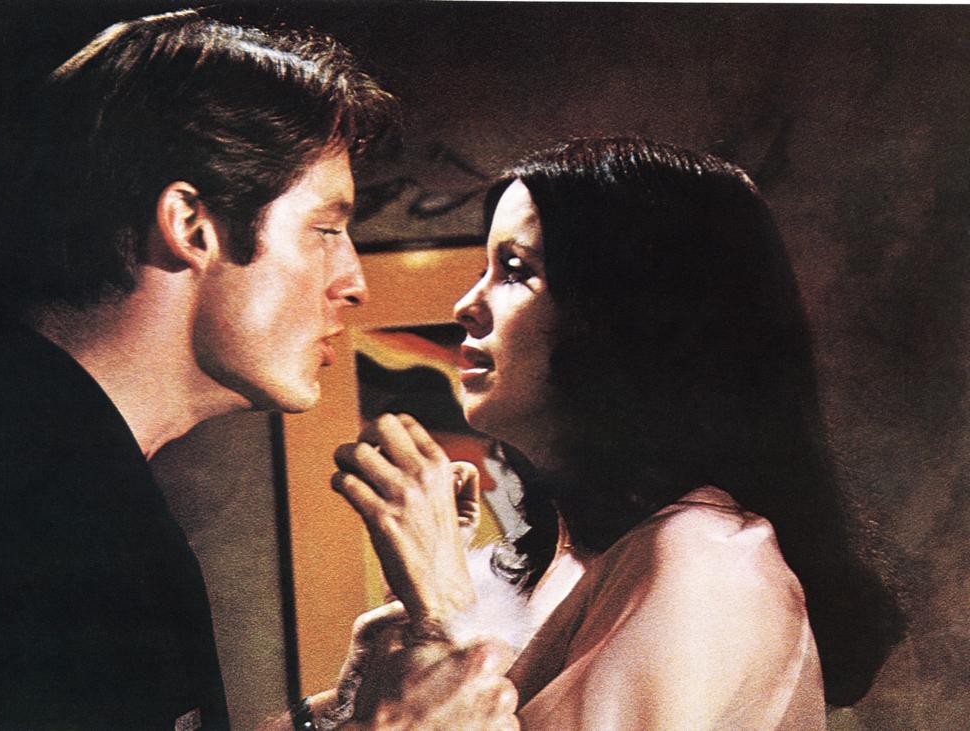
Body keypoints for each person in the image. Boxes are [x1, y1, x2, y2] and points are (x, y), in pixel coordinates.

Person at [0, 9, 517, 731]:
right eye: (325, 229)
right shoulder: (24, 505)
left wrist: (332, 719)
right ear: (191, 225)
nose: (353, 282)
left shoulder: (75, 474)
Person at [332, 137, 907, 729]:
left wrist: (442, 606)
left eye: (515, 271)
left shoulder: (705, 557)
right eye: (485, 270)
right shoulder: (576, 558)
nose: (465, 305)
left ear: (625, 312)